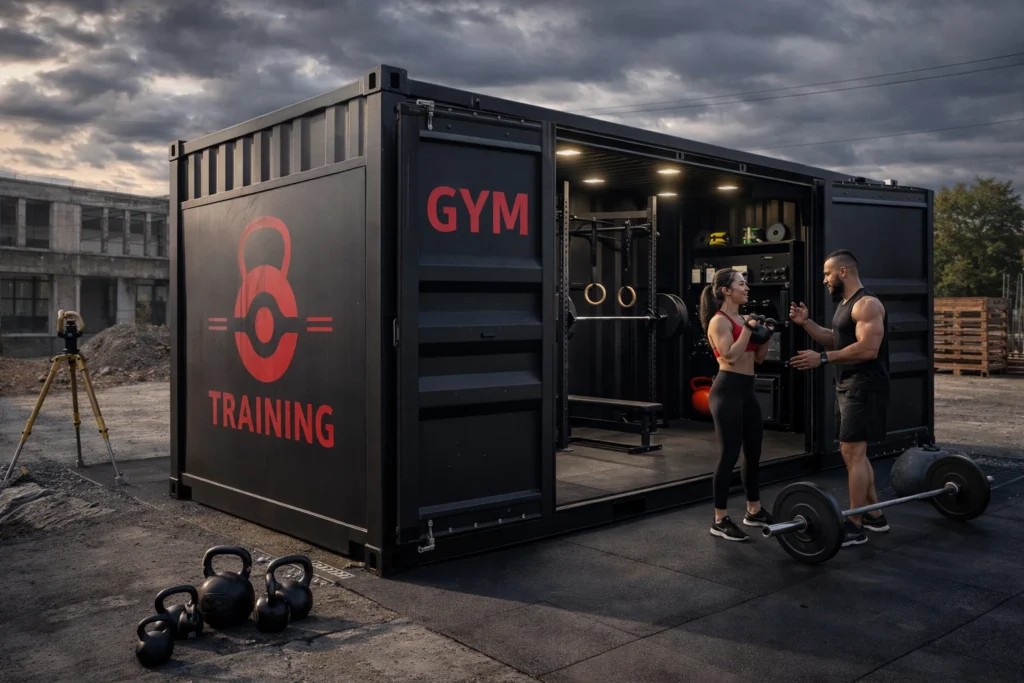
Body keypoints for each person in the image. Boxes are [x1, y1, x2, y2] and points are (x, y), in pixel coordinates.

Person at [788, 249, 891, 548]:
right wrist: (806, 323)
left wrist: (822, 359)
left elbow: (867, 349)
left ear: (843, 272)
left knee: (852, 451)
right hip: (847, 384)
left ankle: (855, 524)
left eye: (827, 273)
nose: (824, 280)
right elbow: (838, 340)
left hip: (865, 385)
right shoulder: (846, 305)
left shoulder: (867, 304)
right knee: (853, 453)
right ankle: (875, 515)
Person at [699, 267, 775, 541]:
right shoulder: (719, 322)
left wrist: (766, 335)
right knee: (729, 454)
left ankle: (753, 509)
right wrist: (749, 330)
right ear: (725, 290)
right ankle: (719, 519)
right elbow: (730, 356)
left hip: (747, 391)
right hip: (727, 390)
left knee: (753, 452)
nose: (747, 288)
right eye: (742, 284)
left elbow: (759, 359)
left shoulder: (743, 319)